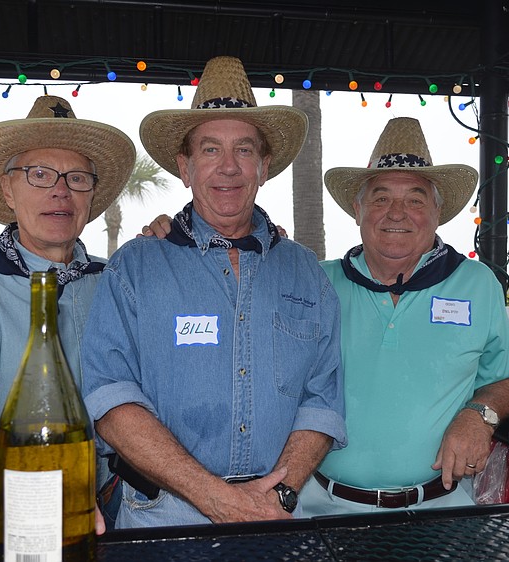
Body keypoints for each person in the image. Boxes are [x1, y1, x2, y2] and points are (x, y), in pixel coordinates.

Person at [80, 56, 346, 529]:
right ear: (184, 167)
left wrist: (280, 495)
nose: (228, 167)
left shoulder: (308, 273)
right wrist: (214, 497)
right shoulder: (135, 266)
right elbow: (110, 399)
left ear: (264, 167)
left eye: (244, 150)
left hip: (276, 511)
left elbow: (321, 402)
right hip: (163, 515)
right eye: (209, 150)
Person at [297, 116, 509, 514]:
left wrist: (479, 416)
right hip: (322, 506)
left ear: (438, 213)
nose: (397, 213)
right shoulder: (315, 282)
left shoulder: (477, 283)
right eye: (381, 198)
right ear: (358, 210)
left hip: (441, 510)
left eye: (416, 200)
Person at [0, 95, 136, 533]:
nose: (60, 190)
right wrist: (18, 511)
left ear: (90, 195)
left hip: (122, 509)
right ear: (8, 190)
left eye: (77, 177)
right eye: (40, 174)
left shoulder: (115, 281)